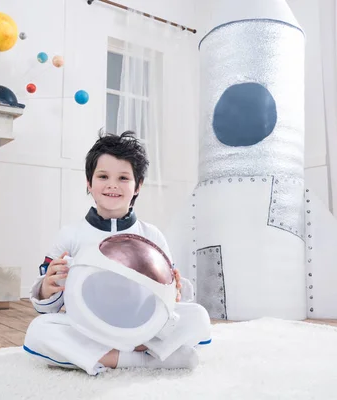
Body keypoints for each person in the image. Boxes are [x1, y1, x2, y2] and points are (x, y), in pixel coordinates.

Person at [24, 131, 211, 375]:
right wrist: (46, 289)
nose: (112, 184)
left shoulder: (151, 235)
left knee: (198, 317)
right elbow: (47, 308)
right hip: (88, 328)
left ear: (137, 186)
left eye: (123, 177)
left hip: (142, 328)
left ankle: (109, 357)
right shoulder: (70, 235)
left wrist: (176, 290)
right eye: (103, 176)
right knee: (40, 330)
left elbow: (171, 301)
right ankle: (143, 359)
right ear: (89, 183)